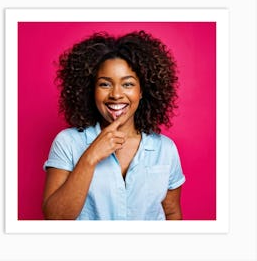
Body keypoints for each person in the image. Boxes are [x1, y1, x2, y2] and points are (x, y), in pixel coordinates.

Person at [42, 30, 186, 220]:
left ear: (142, 91)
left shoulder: (165, 149)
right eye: (105, 84)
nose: (116, 95)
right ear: (91, 90)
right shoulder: (68, 142)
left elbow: (172, 212)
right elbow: (56, 218)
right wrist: (90, 156)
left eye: (127, 84)